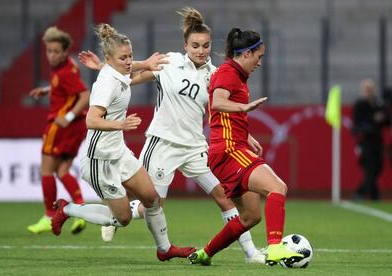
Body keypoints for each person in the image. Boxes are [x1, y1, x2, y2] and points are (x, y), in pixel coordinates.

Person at [78, 7, 265, 263]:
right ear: (185, 45)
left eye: (206, 46)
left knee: (225, 197)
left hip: (196, 147)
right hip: (162, 144)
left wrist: (248, 134)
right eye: (195, 45)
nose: (201, 51)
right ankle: (117, 215)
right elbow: (128, 77)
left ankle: (250, 253)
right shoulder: (171, 62)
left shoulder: (215, 75)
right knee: (151, 206)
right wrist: (103, 66)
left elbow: (220, 110)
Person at [51, 23, 195, 262]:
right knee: (123, 219)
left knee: (152, 198)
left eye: (130, 56)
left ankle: (164, 249)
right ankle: (67, 209)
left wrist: (145, 63)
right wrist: (121, 124)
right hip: (100, 160)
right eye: (123, 58)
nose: (129, 61)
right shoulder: (106, 84)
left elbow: (127, 69)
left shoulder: (115, 70)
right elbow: (91, 120)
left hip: (119, 152)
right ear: (109, 59)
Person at [188, 28, 304, 266]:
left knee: (251, 216)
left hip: (232, 147)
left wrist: (247, 134)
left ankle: (205, 253)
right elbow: (218, 102)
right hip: (230, 151)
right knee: (277, 188)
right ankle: (274, 249)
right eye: (258, 57)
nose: (260, 63)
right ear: (246, 53)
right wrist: (243, 108)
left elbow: (220, 114)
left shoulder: (237, 75)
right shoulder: (229, 73)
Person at [27, 26, 88, 235]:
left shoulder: (63, 72)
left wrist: (68, 116)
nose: (51, 55)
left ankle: (49, 215)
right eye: (48, 51)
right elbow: (66, 89)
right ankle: (80, 208)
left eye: (55, 51)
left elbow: (84, 95)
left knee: (46, 169)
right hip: (77, 127)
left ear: (64, 52)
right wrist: (46, 90)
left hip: (62, 126)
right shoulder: (68, 66)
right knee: (62, 171)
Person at [352, 79, 390, 200]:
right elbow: (358, 123)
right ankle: (368, 195)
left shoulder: (379, 104)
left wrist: (382, 117)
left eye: (370, 89)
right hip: (365, 142)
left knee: (378, 168)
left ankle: (365, 193)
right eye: (366, 89)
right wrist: (374, 119)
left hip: (378, 142)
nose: (369, 91)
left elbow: (387, 120)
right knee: (370, 169)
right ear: (363, 90)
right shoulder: (359, 105)